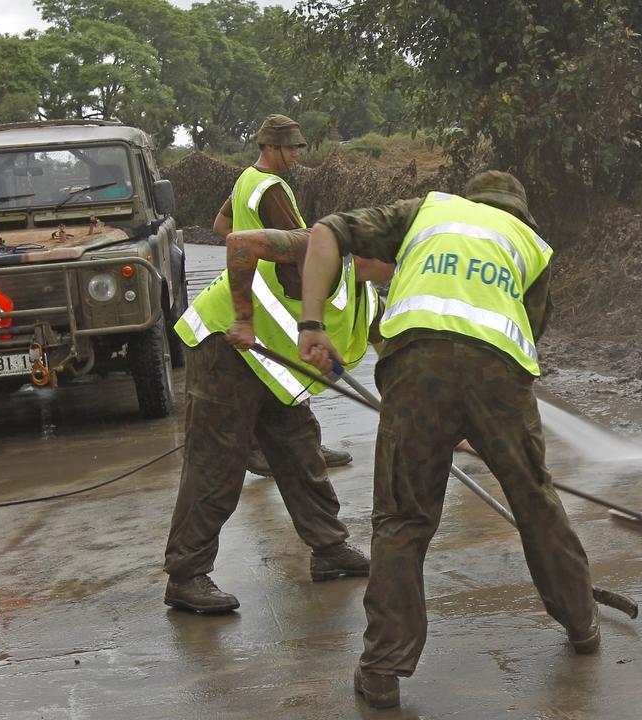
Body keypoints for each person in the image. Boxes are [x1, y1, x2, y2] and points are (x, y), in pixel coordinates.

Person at [298, 171, 598, 709]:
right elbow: (528, 335)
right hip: (498, 376)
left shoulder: (426, 211)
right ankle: (583, 625)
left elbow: (325, 232)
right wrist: (486, 425)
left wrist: (312, 323)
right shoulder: (533, 246)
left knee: (403, 521)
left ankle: (384, 670)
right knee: (534, 499)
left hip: (415, 370)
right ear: (518, 211)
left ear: (470, 199)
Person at [162, 222, 393, 613]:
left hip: (271, 368)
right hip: (227, 344)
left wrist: (409, 408)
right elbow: (240, 242)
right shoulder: (316, 248)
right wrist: (243, 317)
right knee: (217, 463)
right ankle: (185, 576)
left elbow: (390, 353)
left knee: (300, 451)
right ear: (373, 251)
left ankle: (329, 548)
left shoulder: (367, 298)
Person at [213, 113, 353, 471]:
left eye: (298, 148)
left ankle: (296, 446)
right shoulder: (272, 189)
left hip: (251, 284)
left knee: (271, 371)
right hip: (275, 293)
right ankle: (303, 449)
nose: (296, 155)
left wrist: (247, 251)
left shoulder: (246, 179)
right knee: (295, 369)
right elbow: (302, 247)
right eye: (290, 148)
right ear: (270, 146)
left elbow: (222, 226)